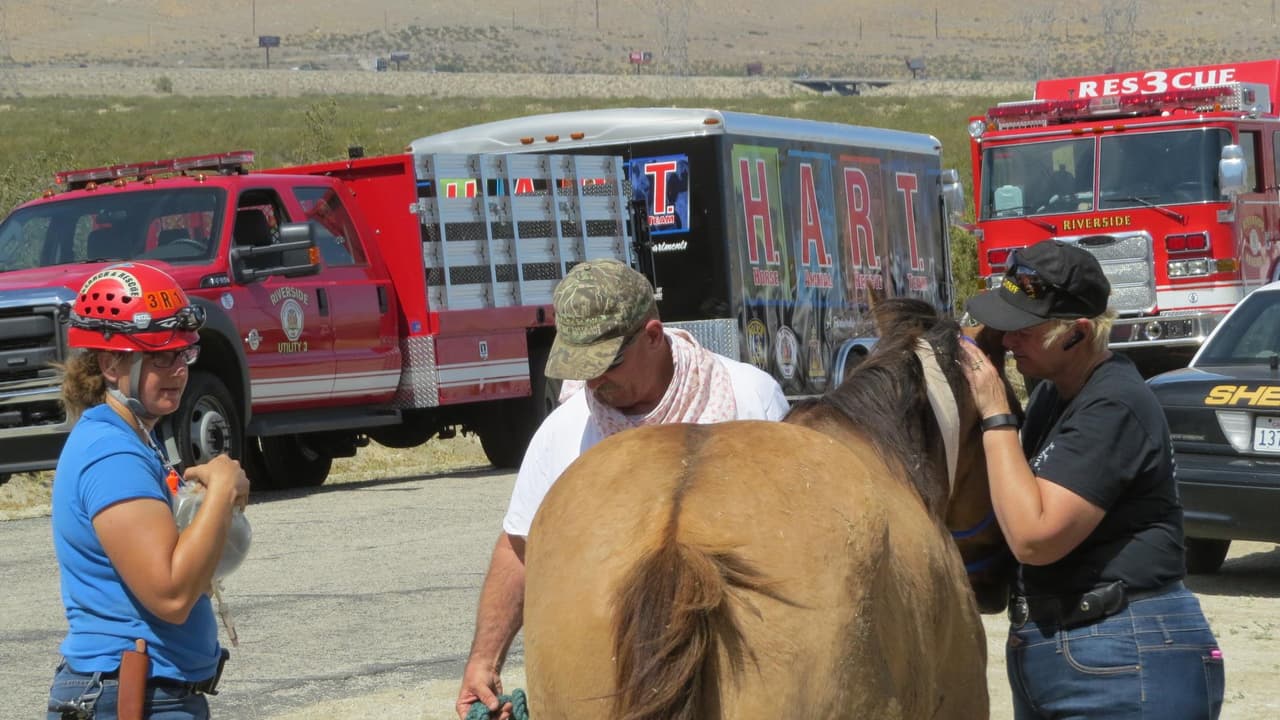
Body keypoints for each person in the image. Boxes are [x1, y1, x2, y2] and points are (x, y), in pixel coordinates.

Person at [456, 259, 789, 719]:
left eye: (607, 363)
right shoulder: (564, 432)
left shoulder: (749, 400)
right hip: (616, 675)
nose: (593, 381)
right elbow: (519, 549)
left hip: (745, 663)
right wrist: (484, 660)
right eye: (581, 366)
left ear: (652, 335)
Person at [959, 241, 1224, 719]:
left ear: (1078, 333)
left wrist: (996, 413)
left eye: (1025, 329)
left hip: (1123, 651)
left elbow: (1034, 537)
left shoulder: (1113, 403)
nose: (1009, 339)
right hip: (1077, 646)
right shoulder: (1054, 396)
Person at [47, 263, 249, 719]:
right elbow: (171, 596)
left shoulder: (137, 437)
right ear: (111, 364)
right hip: (133, 696)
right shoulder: (113, 454)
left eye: (183, 353)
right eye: (160, 357)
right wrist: (219, 490)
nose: (178, 370)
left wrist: (214, 501)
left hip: (146, 692)